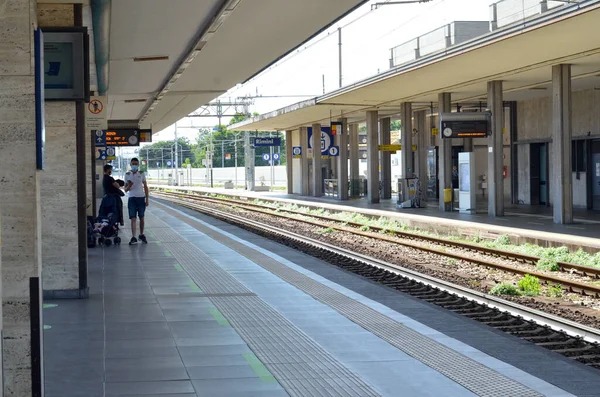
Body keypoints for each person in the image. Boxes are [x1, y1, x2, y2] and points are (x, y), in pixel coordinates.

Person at [124, 158, 149, 245]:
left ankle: (141, 234)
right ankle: (133, 236)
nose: (134, 165)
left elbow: (145, 186)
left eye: (136, 164)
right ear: (130, 165)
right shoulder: (127, 174)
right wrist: (129, 185)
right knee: (133, 218)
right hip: (132, 199)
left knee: (141, 217)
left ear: (138, 165)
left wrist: (147, 199)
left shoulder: (141, 174)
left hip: (141, 198)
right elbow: (125, 190)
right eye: (133, 164)